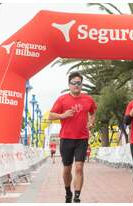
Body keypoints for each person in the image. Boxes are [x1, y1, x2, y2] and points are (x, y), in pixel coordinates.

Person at [48, 72, 97, 203]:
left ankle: (77, 195)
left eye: (79, 83)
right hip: (66, 138)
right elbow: (50, 116)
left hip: (82, 138)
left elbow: (93, 112)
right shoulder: (62, 99)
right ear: (69, 85)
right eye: (74, 83)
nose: (76, 85)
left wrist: (91, 122)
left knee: (79, 167)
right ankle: (67, 191)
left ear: (82, 85)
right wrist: (63, 115)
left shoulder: (88, 99)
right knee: (67, 169)